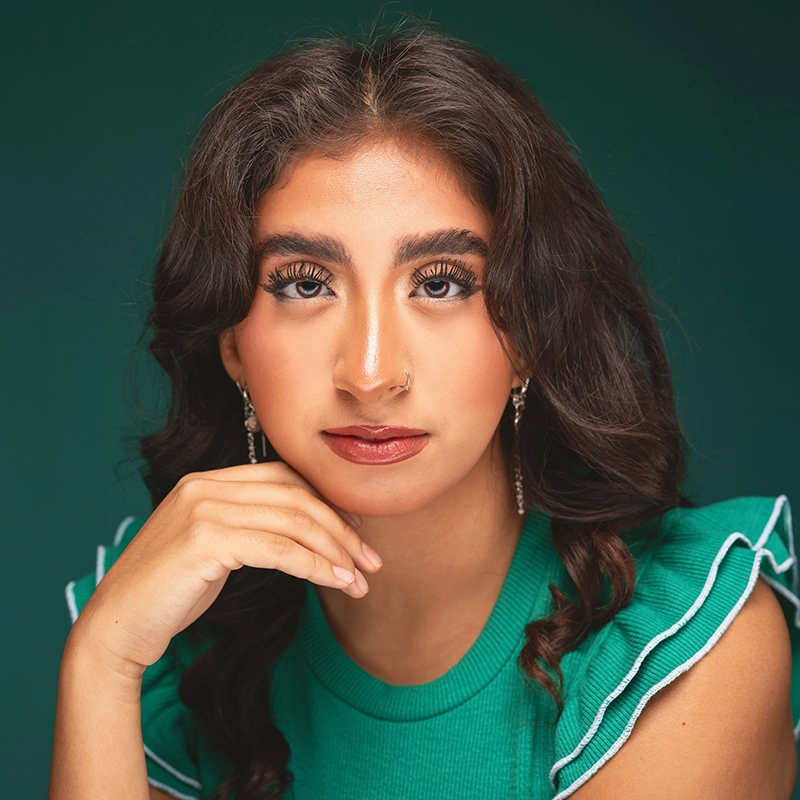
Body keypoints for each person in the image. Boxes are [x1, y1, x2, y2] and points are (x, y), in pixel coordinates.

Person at [49, 25, 798, 800]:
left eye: (441, 283)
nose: (371, 375)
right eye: (305, 283)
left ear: (531, 332)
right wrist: (101, 662)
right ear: (232, 343)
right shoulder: (174, 621)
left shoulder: (683, 642)